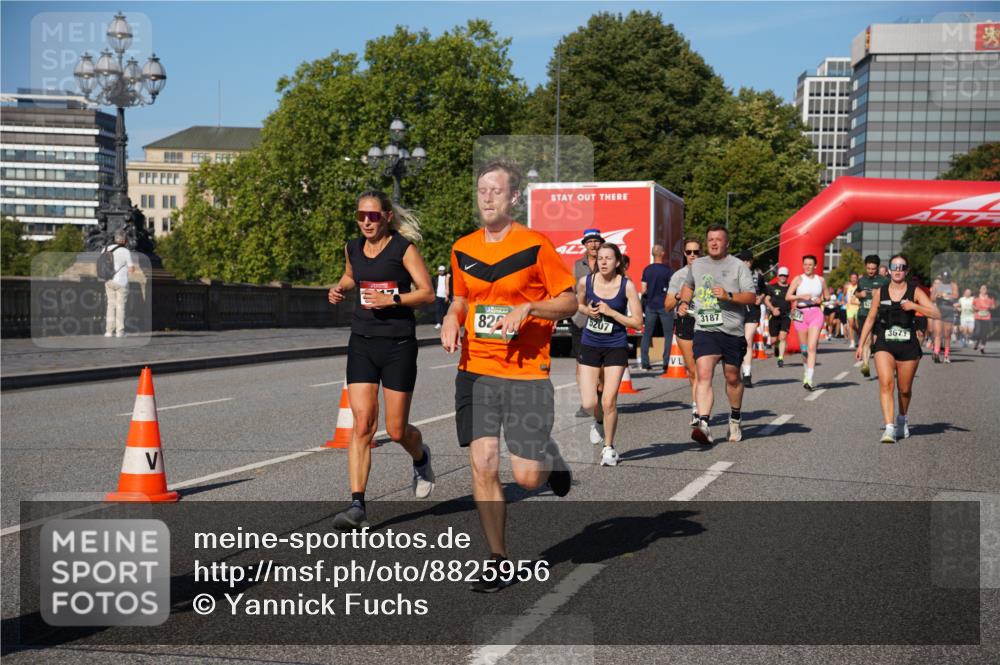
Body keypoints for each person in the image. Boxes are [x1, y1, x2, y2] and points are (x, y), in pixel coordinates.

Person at [441, 160, 577, 592]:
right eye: (482, 190)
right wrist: (451, 316)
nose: (487, 198)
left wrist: (530, 307)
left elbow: (570, 302)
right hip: (476, 369)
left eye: (496, 191)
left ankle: (550, 457)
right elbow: (461, 298)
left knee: (527, 479)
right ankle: (497, 559)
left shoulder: (536, 245)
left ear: (514, 197)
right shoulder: (463, 248)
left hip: (525, 371)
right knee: (483, 464)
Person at [327, 190, 437, 530]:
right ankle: (357, 505)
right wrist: (340, 288)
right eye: (361, 216)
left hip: (398, 345)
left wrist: (393, 299)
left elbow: (427, 293)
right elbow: (352, 275)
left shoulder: (403, 249)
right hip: (362, 341)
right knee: (362, 425)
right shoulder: (352, 248)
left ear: (387, 217)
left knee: (397, 429)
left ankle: (421, 457)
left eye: (373, 216)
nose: (366, 222)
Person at [678, 225, 756, 444]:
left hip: (732, 331)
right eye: (710, 239)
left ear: (727, 243)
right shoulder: (698, 264)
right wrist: (684, 302)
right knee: (703, 374)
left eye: (718, 239)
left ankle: (735, 418)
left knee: (732, 378)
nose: (714, 243)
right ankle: (704, 422)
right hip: (705, 329)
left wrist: (729, 296)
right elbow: (688, 286)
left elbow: (751, 297)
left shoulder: (738, 266)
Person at [856, 254, 940, 443]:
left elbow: (936, 313)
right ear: (889, 270)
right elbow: (870, 319)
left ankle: (902, 419)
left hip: (908, 345)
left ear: (906, 271)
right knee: (886, 383)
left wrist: (914, 306)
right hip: (884, 343)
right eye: (894, 267)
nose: (897, 270)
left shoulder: (915, 291)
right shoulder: (881, 292)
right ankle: (889, 428)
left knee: (904, 390)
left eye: (902, 267)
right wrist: (861, 345)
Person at [577, 243, 643, 466]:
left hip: (615, 345)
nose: (603, 262)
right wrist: (588, 311)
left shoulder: (627, 286)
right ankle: (597, 421)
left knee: (608, 400)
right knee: (589, 402)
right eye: (600, 258)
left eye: (608, 258)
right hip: (590, 344)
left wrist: (611, 312)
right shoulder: (586, 282)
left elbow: (637, 322)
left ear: (618, 262)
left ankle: (609, 447)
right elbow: (578, 304)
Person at [665, 238, 703, 426]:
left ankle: (701, 408)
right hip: (685, 322)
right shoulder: (678, 276)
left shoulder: (710, 273)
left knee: (705, 371)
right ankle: (697, 409)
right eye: (689, 252)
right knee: (693, 371)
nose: (692, 255)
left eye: (696, 252)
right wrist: (679, 295)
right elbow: (667, 305)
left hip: (706, 323)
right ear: (684, 254)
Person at [571, 228, 604, 417]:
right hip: (581, 320)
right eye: (589, 241)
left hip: (602, 320)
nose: (593, 244)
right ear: (584, 244)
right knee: (581, 363)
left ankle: (600, 395)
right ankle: (585, 403)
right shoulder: (577, 265)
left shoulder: (607, 262)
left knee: (600, 364)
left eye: (596, 241)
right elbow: (571, 290)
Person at [787, 255, 829, 391]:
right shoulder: (798, 279)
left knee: (812, 347)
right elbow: (788, 296)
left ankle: (809, 379)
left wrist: (822, 300)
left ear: (815, 266)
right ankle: (806, 372)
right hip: (800, 314)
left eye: (810, 264)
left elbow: (827, 296)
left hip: (816, 313)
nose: (807, 267)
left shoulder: (820, 280)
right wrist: (800, 296)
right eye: (805, 264)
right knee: (804, 350)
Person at [639, 244, 674, 371]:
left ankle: (645, 363)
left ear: (652, 254)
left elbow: (643, 289)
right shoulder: (668, 270)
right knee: (668, 335)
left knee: (647, 334)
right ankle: (666, 362)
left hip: (650, 306)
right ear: (663, 253)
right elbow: (673, 288)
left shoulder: (647, 270)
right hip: (665, 305)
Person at [855, 255, 889, 378]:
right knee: (867, 339)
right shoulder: (861, 280)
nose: (870, 271)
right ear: (865, 267)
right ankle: (865, 365)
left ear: (877, 268)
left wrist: (880, 294)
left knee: (878, 341)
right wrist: (860, 294)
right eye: (868, 268)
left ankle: (883, 364)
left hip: (880, 315)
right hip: (864, 314)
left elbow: (891, 296)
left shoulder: (884, 281)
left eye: (873, 269)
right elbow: (856, 293)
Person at [736, 249, 764, 388]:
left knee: (747, 340)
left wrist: (760, 298)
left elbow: (764, 291)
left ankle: (747, 374)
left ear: (752, 261)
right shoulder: (734, 275)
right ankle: (736, 370)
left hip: (753, 310)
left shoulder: (758, 276)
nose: (746, 263)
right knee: (737, 342)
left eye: (748, 260)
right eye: (743, 260)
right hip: (737, 310)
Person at [103, 229, 135, 338]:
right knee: (120, 307)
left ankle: (108, 331)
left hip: (108, 281)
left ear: (115, 239)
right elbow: (131, 269)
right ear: (124, 240)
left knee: (110, 305)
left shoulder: (106, 249)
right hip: (121, 282)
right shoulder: (126, 251)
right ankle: (120, 332)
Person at [764, 266, 793, 367]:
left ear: (787, 276)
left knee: (783, 337)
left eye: (785, 275)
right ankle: (776, 346)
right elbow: (766, 300)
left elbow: (795, 300)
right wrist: (773, 309)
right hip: (774, 315)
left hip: (786, 315)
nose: (783, 277)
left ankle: (780, 358)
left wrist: (794, 309)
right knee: (774, 340)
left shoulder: (791, 288)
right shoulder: (771, 287)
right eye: (781, 275)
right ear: (778, 276)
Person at [931, 270, 959, 363]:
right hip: (939, 310)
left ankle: (946, 355)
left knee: (947, 334)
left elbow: (956, 295)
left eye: (947, 278)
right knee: (938, 332)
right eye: (943, 278)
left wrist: (945, 295)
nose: (945, 279)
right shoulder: (936, 285)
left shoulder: (953, 285)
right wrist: (937, 295)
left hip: (949, 310)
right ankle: (936, 352)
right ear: (941, 277)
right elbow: (932, 298)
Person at [973, 285, 995, 354]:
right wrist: (975, 308)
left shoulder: (990, 298)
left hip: (986, 317)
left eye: (985, 289)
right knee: (978, 332)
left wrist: (990, 307)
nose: (984, 290)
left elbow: (993, 306)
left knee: (984, 333)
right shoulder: (976, 297)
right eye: (982, 288)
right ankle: (977, 341)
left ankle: (982, 347)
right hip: (978, 317)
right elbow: (972, 305)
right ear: (980, 290)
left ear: (987, 290)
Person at [845, 273, 860, 349]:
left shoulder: (859, 286)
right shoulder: (847, 286)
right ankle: (852, 342)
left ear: (857, 279)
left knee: (857, 325)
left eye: (855, 278)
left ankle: (859, 338)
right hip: (849, 308)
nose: (853, 279)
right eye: (852, 277)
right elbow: (844, 294)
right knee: (850, 324)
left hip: (858, 307)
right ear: (850, 278)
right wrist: (844, 301)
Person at [434, 265, 451, 329]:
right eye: (440, 271)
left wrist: (447, 296)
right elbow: (434, 286)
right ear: (438, 271)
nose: (441, 272)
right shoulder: (435, 278)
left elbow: (449, 287)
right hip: (438, 296)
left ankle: (445, 323)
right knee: (438, 310)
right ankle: (438, 323)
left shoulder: (447, 277)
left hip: (445, 296)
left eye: (443, 271)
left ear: (444, 271)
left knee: (445, 310)